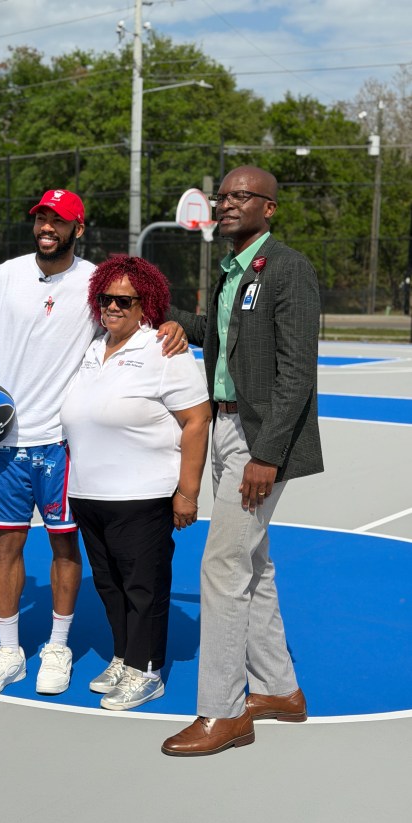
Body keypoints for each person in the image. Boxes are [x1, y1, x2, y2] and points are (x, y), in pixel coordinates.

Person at [0, 189, 186, 698]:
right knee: (6, 544)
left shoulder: (95, 284)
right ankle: (8, 651)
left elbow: (134, 315)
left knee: (63, 544)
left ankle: (58, 646)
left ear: (79, 228)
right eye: (42, 218)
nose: (48, 226)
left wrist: (173, 323)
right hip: (5, 441)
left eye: (59, 220)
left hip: (64, 445)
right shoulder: (5, 277)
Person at [162, 165, 323, 756]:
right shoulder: (230, 270)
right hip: (226, 427)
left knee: (222, 566)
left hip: (259, 441)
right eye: (222, 196)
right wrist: (172, 316)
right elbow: (222, 337)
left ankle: (224, 713)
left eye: (241, 197)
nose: (227, 204)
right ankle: (280, 690)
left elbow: (297, 371)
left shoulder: (289, 268)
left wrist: (267, 454)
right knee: (253, 564)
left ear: (269, 208)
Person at [61, 255, 211, 711]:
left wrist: (187, 492)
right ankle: (125, 656)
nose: (112, 306)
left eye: (123, 300)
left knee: (143, 588)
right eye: (105, 298)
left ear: (146, 305)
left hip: (142, 495)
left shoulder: (165, 350)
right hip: (89, 493)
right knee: (108, 585)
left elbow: (197, 419)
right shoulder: (92, 348)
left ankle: (147, 672)